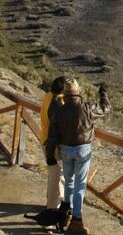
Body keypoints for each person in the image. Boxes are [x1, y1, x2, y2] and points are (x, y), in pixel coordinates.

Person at [46, 78, 111, 234]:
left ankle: (66, 210)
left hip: (66, 150)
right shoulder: (87, 107)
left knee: (69, 181)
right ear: (78, 93)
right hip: (83, 150)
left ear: (66, 94)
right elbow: (105, 108)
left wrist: (50, 154)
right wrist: (103, 93)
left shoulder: (59, 110)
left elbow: (52, 135)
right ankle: (77, 218)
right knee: (80, 185)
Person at [40, 76, 67, 212]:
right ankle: (53, 210)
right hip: (54, 145)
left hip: (45, 140)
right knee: (58, 178)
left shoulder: (47, 96)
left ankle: (52, 204)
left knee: (53, 175)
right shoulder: (58, 104)